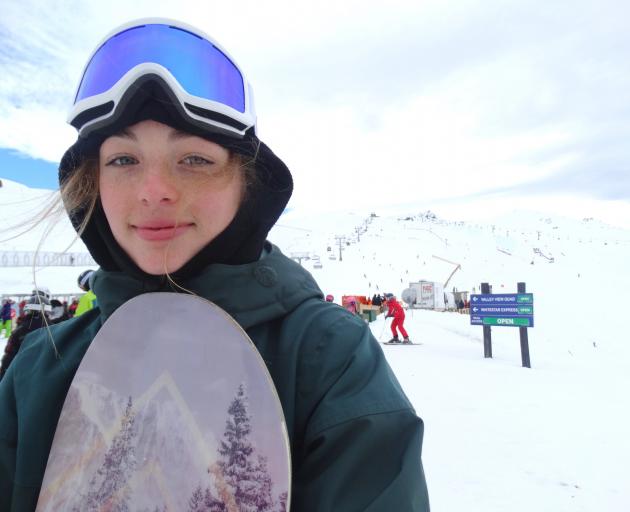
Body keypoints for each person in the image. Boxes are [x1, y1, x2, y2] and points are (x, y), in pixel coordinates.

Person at [0, 19, 429, 511]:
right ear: (91, 183)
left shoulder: (326, 359)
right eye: (123, 160)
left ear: (246, 184)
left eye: (195, 160)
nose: (154, 189)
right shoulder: (42, 365)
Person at [0, 290, 51, 380]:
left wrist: (3, 375)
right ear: (47, 311)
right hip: (48, 377)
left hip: (22, 376)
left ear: (28, 310)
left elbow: (9, 356)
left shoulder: (20, 330)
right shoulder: (55, 328)